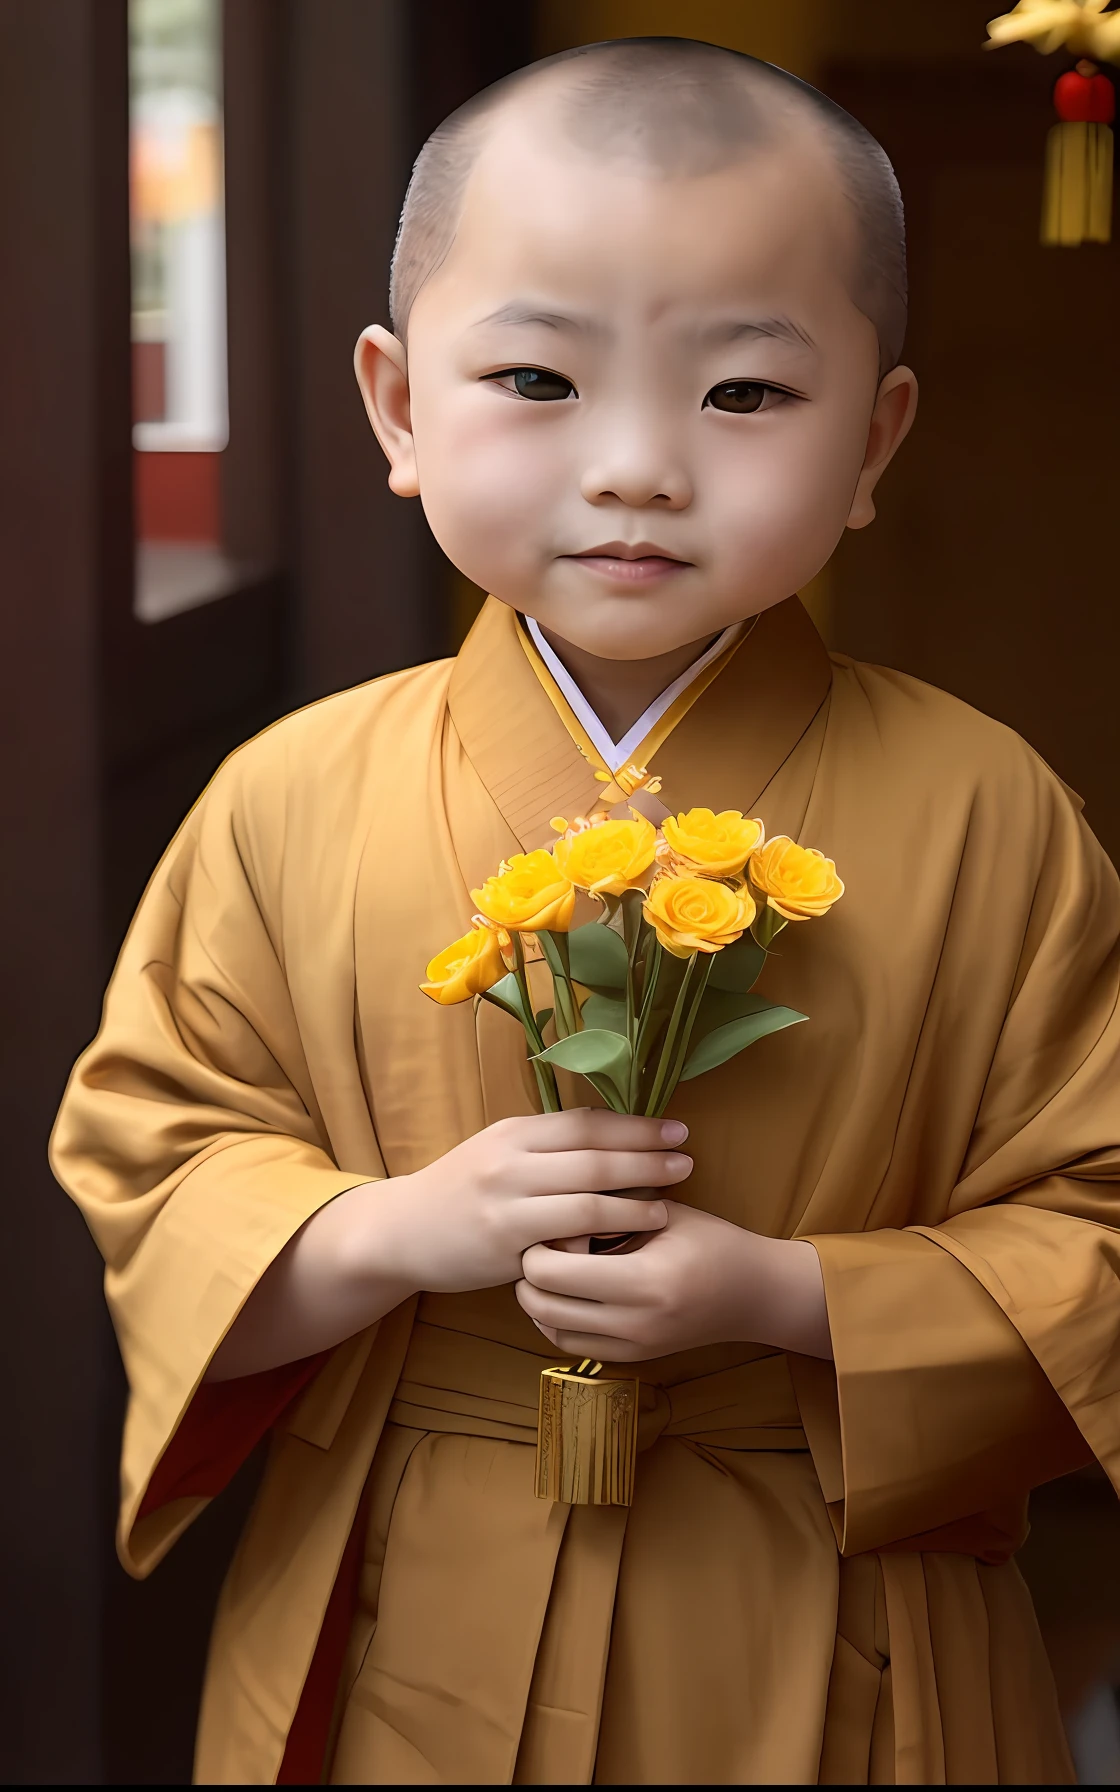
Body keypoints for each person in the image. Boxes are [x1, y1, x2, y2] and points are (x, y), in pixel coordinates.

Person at [51, 37, 1120, 1785]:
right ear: (400, 408)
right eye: (539, 380)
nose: (635, 467)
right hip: (415, 1594)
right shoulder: (288, 798)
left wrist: (790, 1295)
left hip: (839, 1620)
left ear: (879, 435)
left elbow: (1103, 1227)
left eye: (745, 396)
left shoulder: (987, 810)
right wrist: (399, 1231)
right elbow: (154, 1165)